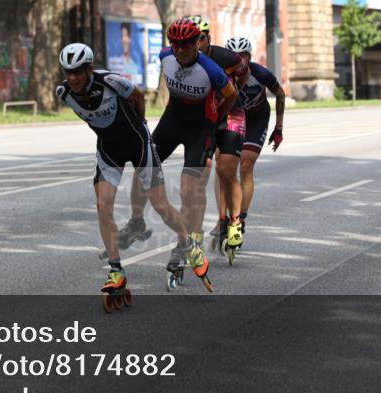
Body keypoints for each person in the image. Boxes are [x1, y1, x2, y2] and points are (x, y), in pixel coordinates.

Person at [55, 43, 211, 303]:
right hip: (109, 149)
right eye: (67, 72)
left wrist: (141, 125)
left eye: (78, 72)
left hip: (138, 143)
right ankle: (116, 270)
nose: (72, 78)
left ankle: (188, 244)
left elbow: (138, 97)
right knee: (103, 205)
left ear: (89, 69)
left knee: (161, 205)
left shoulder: (111, 81)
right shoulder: (64, 93)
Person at [121, 18, 234, 288]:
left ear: (197, 43)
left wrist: (218, 118)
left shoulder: (211, 70)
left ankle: (185, 245)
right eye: (176, 44)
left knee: (188, 189)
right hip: (172, 121)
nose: (180, 50)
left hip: (200, 129)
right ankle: (137, 221)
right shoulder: (165, 56)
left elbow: (231, 94)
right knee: (142, 166)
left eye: (186, 44)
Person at [190, 17, 250, 263]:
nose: (196, 43)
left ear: (208, 38)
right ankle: (197, 233)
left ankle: (234, 221)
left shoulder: (226, 57)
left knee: (226, 171)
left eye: (200, 38)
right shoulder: (182, 59)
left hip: (231, 114)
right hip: (206, 118)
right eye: (190, 40)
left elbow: (244, 74)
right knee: (200, 174)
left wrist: (233, 95)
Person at [216, 35, 284, 241]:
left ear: (249, 56)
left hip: (256, 119)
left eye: (244, 55)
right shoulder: (220, 74)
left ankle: (241, 219)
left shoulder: (260, 73)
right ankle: (222, 218)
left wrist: (278, 128)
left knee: (245, 165)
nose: (240, 60)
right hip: (233, 118)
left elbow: (280, 94)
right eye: (235, 55)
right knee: (223, 167)